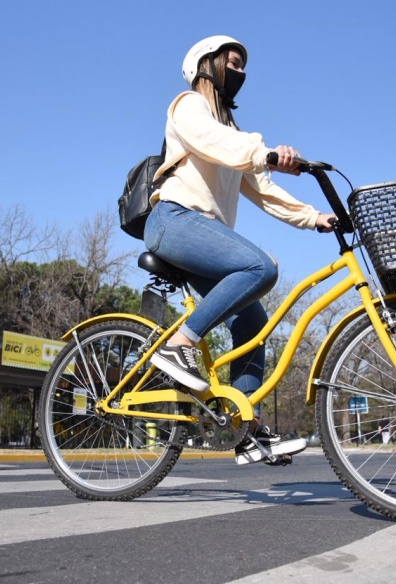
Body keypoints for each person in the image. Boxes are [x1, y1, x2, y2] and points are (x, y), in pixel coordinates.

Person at [145, 35, 336, 466]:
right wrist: (263, 152)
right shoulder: (187, 106)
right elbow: (214, 142)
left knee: (252, 319)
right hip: (174, 221)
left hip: (202, 234)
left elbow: (264, 190)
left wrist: (315, 216)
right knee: (260, 267)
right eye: (233, 63)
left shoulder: (231, 135)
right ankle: (179, 345)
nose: (241, 74)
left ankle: (246, 429)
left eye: (244, 67)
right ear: (207, 65)